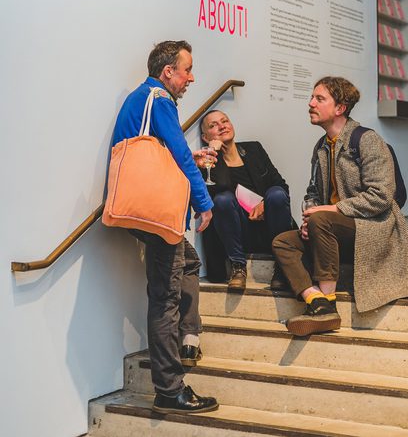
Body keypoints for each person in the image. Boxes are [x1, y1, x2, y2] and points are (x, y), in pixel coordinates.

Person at [111, 40, 219, 414]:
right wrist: (203, 202)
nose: (192, 78)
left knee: (188, 264)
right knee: (165, 298)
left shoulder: (141, 98)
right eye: (187, 70)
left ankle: (188, 337)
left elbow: (162, 153)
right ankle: (170, 390)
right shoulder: (159, 98)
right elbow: (177, 153)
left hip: (142, 210)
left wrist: (192, 158)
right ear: (168, 71)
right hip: (156, 216)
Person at [272, 76, 408, 337]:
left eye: (319, 99)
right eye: (312, 97)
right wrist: (309, 217)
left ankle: (328, 304)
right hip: (334, 228)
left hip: (373, 227)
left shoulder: (367, 140)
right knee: (283, 242)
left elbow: (381, 196)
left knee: (322, 220)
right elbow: (312, 192)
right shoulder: (321, 146)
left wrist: (329, 211)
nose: (310, 103)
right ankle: (316, 301)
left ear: (340, 108)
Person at [200, 109, 295, 291]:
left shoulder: (254, 149)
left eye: (224, 121)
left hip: (268, 228)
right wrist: (214, 152)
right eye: (213, 125)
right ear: (205, 137)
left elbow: (282, 186)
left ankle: (282, 266)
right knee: (222, 199)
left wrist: (264, 204)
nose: (222, 126)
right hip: (235, 235)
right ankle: (238, 266)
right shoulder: (206, 162)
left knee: (276, 193)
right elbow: (221, 185)